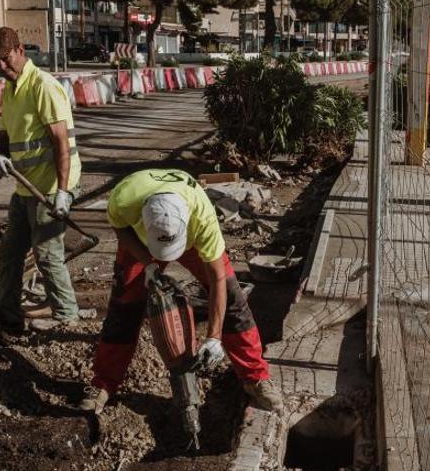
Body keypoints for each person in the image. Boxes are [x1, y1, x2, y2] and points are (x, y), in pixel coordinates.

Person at [79, 168, 283, 413]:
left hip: (191, 238)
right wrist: (148, 263)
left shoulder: (202, 218)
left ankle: (255, 377)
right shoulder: (123, 199)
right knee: (124, 307)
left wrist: (214, 337)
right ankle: (103, 383)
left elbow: (218, 278)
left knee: (232, 301)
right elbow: (121, 228)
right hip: (144, 243)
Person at [0, 27, 89, 343]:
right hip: (25, 188)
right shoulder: (10, 90)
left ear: (21, 50)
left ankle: (66, 317)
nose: (1, 67)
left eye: (6, 59)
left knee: (47, 254)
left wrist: (63, 191)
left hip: (50, 187)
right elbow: (5, 135)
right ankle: (10, 322)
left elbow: (61, 142)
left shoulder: (43, 87)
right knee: (10, 256)